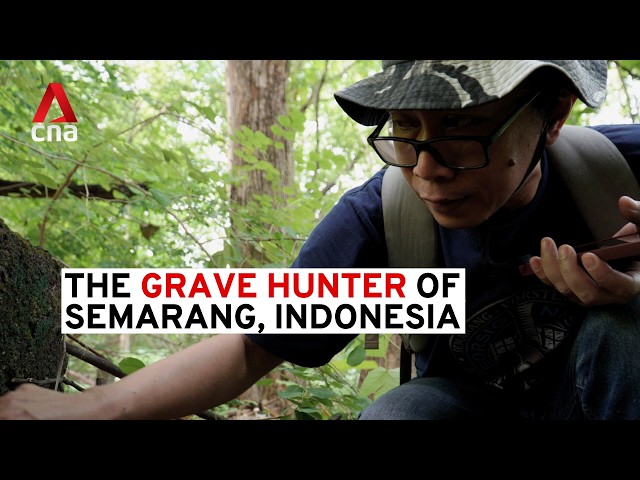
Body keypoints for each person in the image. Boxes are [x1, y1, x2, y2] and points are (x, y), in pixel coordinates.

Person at [1, 60, 639, 420]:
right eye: (405, 130)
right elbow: (257, 342)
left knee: (623, 330)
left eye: (463, 131)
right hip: (467, 409)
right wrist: (93, 410)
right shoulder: (383, 218)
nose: (426, 168)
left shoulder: (615, 173)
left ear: (551, 118)